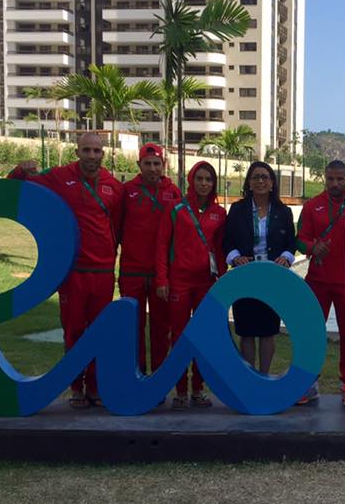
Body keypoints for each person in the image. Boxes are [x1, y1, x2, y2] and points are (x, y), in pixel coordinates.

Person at [7, 132, 124, 408]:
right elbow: (15, 186)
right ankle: (76, 387)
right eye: (86, 150)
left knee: (98, 331)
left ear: (103, 154)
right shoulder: (59, 177)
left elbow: (117, 228)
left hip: (104, 271)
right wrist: (20, 169)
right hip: (73, 270)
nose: (91, 156)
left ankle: (95, 387)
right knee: (73, 330)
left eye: (96, 151)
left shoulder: (113, 187)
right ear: (77, 152)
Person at [296, 160, 345, 407]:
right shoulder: (312, 206)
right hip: (317, 282)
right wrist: (311, 247)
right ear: (324, 178)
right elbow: (299, 240)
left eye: (340, 179)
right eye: (331, 179)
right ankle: (309, 384)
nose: (335, 183)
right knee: (311, 333)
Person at [154, 161, 226, 409]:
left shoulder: (219, 213)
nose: (204, 183)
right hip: (179, 283)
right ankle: (180, 390)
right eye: (200, 179)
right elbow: (162, 245)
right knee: (180, 336)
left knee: (203, 336)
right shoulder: (176, 208)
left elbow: (220, 248)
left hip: (206, 283)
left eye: (208, 180)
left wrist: (222, 281)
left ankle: (198, 389)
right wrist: (162, 279)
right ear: (191, 180)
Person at [222, 161, 296, 374]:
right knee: (246, 330)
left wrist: (286, 257)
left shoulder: (283, 212)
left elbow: (291, 243)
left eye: (265, 177)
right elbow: (227, 241)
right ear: (249, 183)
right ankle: (249, 376)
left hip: (272, 277)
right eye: (256, 177)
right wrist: (236, 258)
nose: (261, 181)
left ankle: (264, 375)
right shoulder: (237, 210)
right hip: (245, 276)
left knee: (267, 330)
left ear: (272, 183)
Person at [119, 143, 181, 378]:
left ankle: (158, 378)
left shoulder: (173, 192)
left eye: (157, 164)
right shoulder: (127, 191)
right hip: (132, 271)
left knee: (160, 327)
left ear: (163, 165)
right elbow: (117, 227)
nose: (153, 168)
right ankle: (134, 376)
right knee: (132, 328)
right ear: (139, 165)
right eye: (148, 164)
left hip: (161, 275)